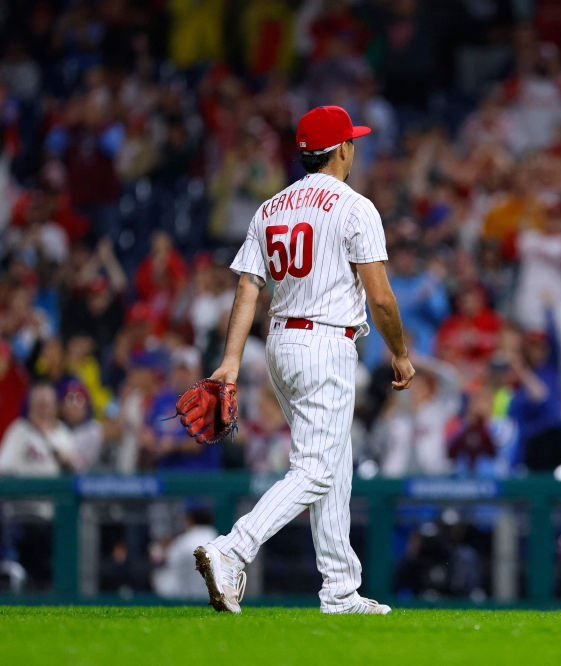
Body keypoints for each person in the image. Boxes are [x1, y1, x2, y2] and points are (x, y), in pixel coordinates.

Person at [193, 106, 415, 615]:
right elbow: (381, 298)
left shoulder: (270, 207)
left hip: (279, 344)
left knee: (333, 462)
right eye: (352, 141)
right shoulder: (356, 207)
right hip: (324, 344)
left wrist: (230, 360)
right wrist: (400, 355)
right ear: (342, 149)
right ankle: (232, 549)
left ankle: (340, 588)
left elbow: (250, 284)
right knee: (316, 467)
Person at [152, 507, 219, 601]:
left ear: (190, 519)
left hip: (184, 599)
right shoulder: (217, 540)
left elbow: (165, 560)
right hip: (215, 600)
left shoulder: (183, 542)